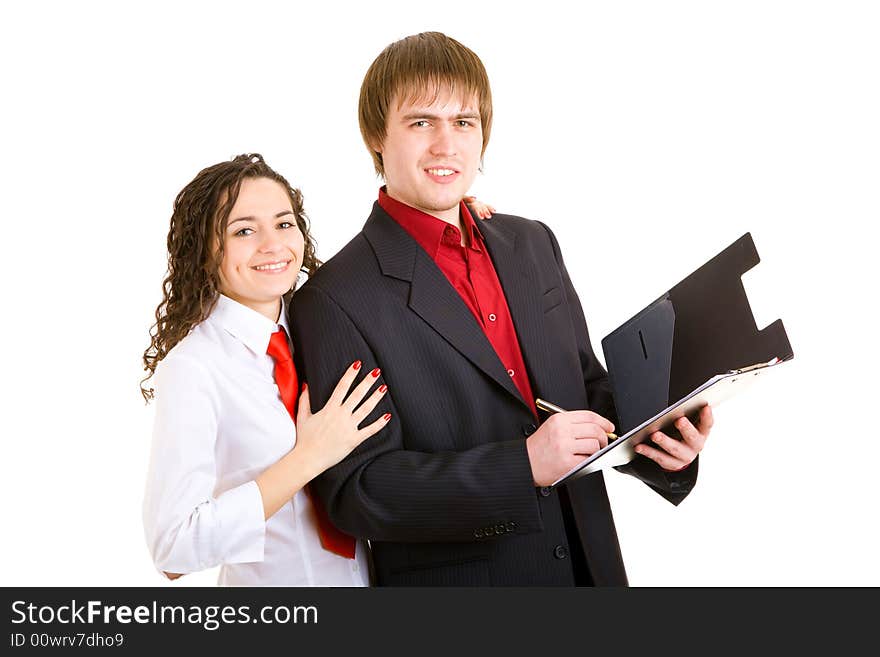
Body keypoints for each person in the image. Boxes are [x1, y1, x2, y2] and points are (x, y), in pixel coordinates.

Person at [288, 32, 714, 586]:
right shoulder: (334, 298)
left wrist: (664, 442)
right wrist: (522, 467)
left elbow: (587, 389)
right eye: (421, 122)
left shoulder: (532, 243)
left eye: (464, 122)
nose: (447, 145)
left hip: (592, 571)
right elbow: (360, 491)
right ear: (375, 135)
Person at [140, 154, 495, 586]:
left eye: (284, 223)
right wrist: (308, 458)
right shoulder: (194, 369)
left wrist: (452, 223)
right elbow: (173, 547)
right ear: (205, 249)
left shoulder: (319, 324)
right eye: (244, 230)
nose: (272, 245)